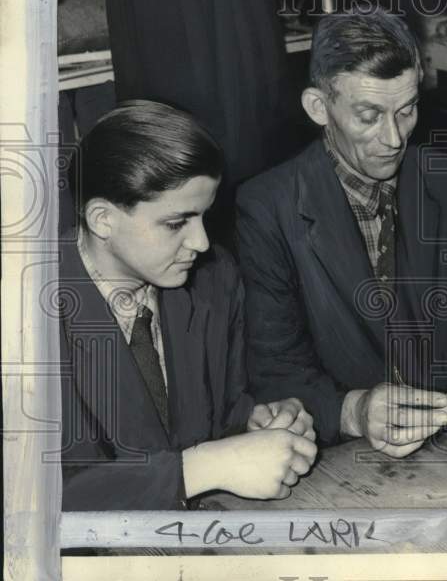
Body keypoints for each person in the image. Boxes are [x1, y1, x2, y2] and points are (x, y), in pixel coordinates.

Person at [236, 9, 447, 458]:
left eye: (406, 111)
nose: (393, 138)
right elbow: (274, 372)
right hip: (343, 456)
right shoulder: (266, 209)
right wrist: (353, 410)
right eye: (369, 115)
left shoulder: (444, 176)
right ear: (318, 108)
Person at [60, 101, 317, 510]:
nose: (200, 242)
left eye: (204, 216)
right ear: (102, 219)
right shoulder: (26, 318)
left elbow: (222, 413)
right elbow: (40, 495)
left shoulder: (214, 279)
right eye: (177, 223)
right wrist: (202, 468)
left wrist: (259, 423)